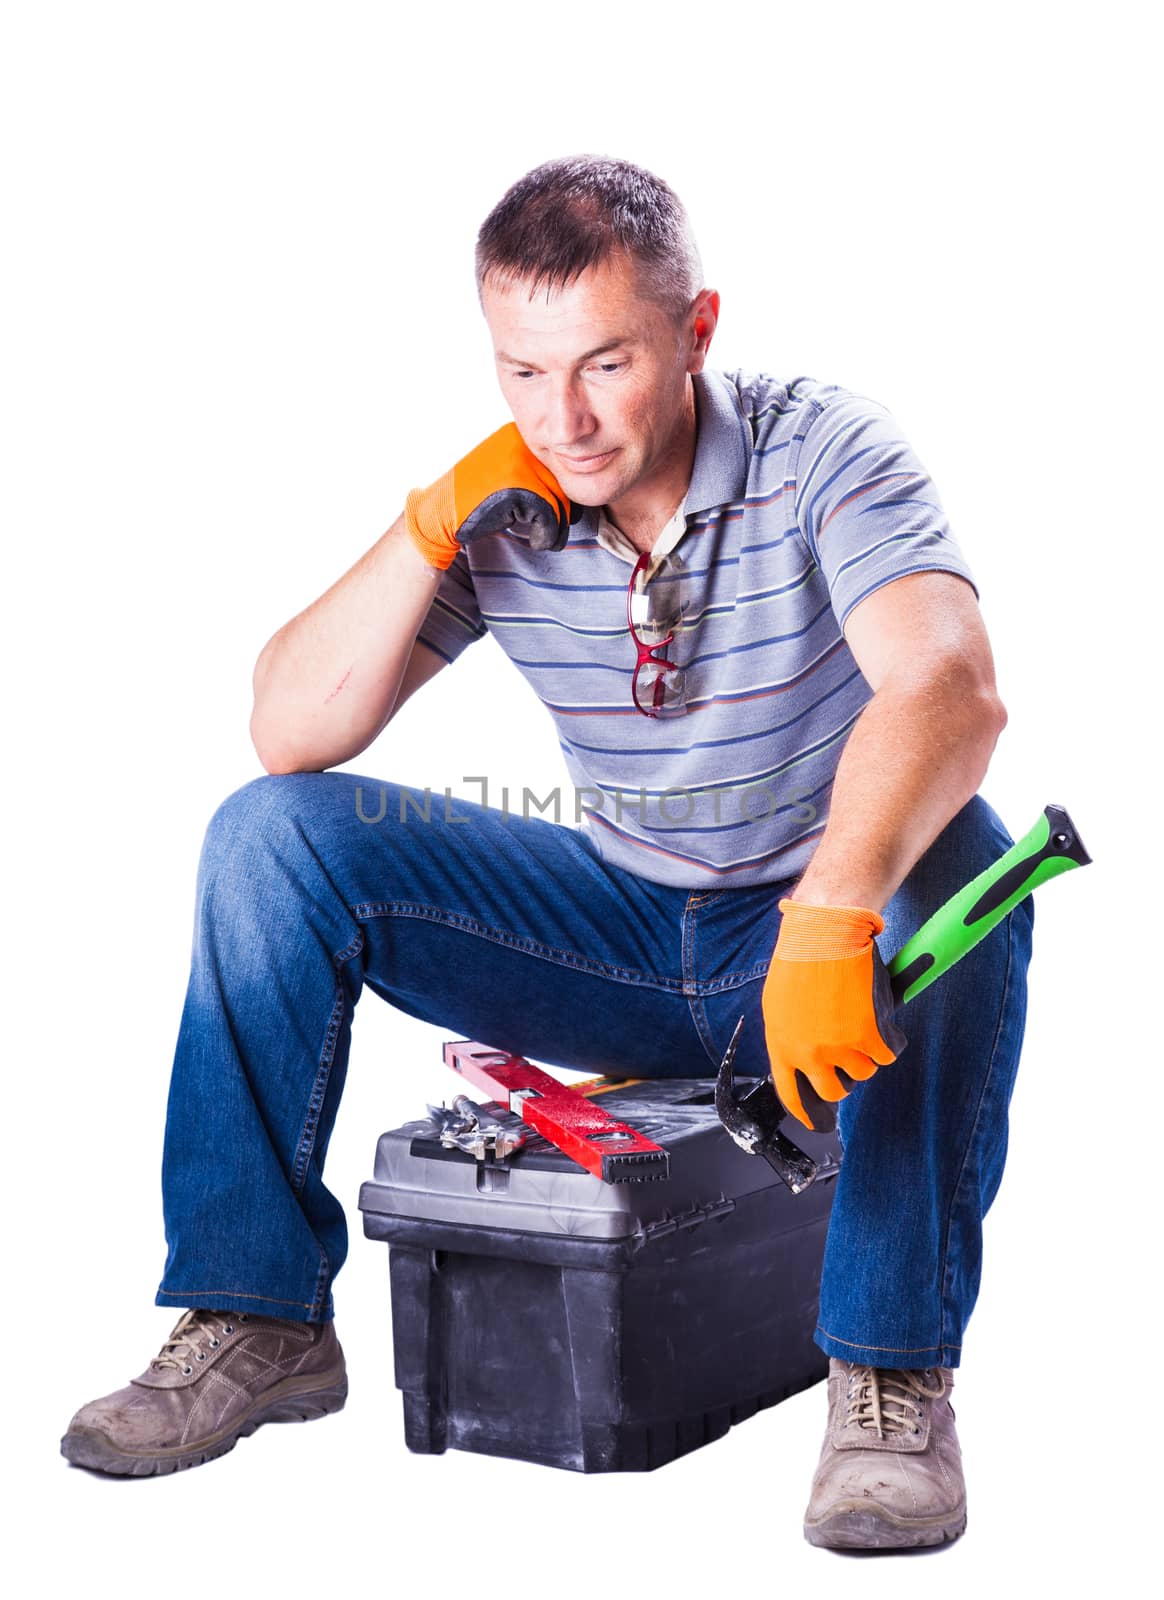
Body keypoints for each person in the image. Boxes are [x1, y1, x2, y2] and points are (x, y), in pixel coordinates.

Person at [61, 154, 1032, 1551]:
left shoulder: (829, 450)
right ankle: (258, 1319)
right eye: (521, 372)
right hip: (616, 929)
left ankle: (886, 1373)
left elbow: (951, 688)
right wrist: (427, 524)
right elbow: (289, 726)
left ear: (697, 333)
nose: (563, 419)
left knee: (973, 861)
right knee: (270, 838)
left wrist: (830, 917)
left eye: (605, 364)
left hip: (814, 930)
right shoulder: (513, 498)